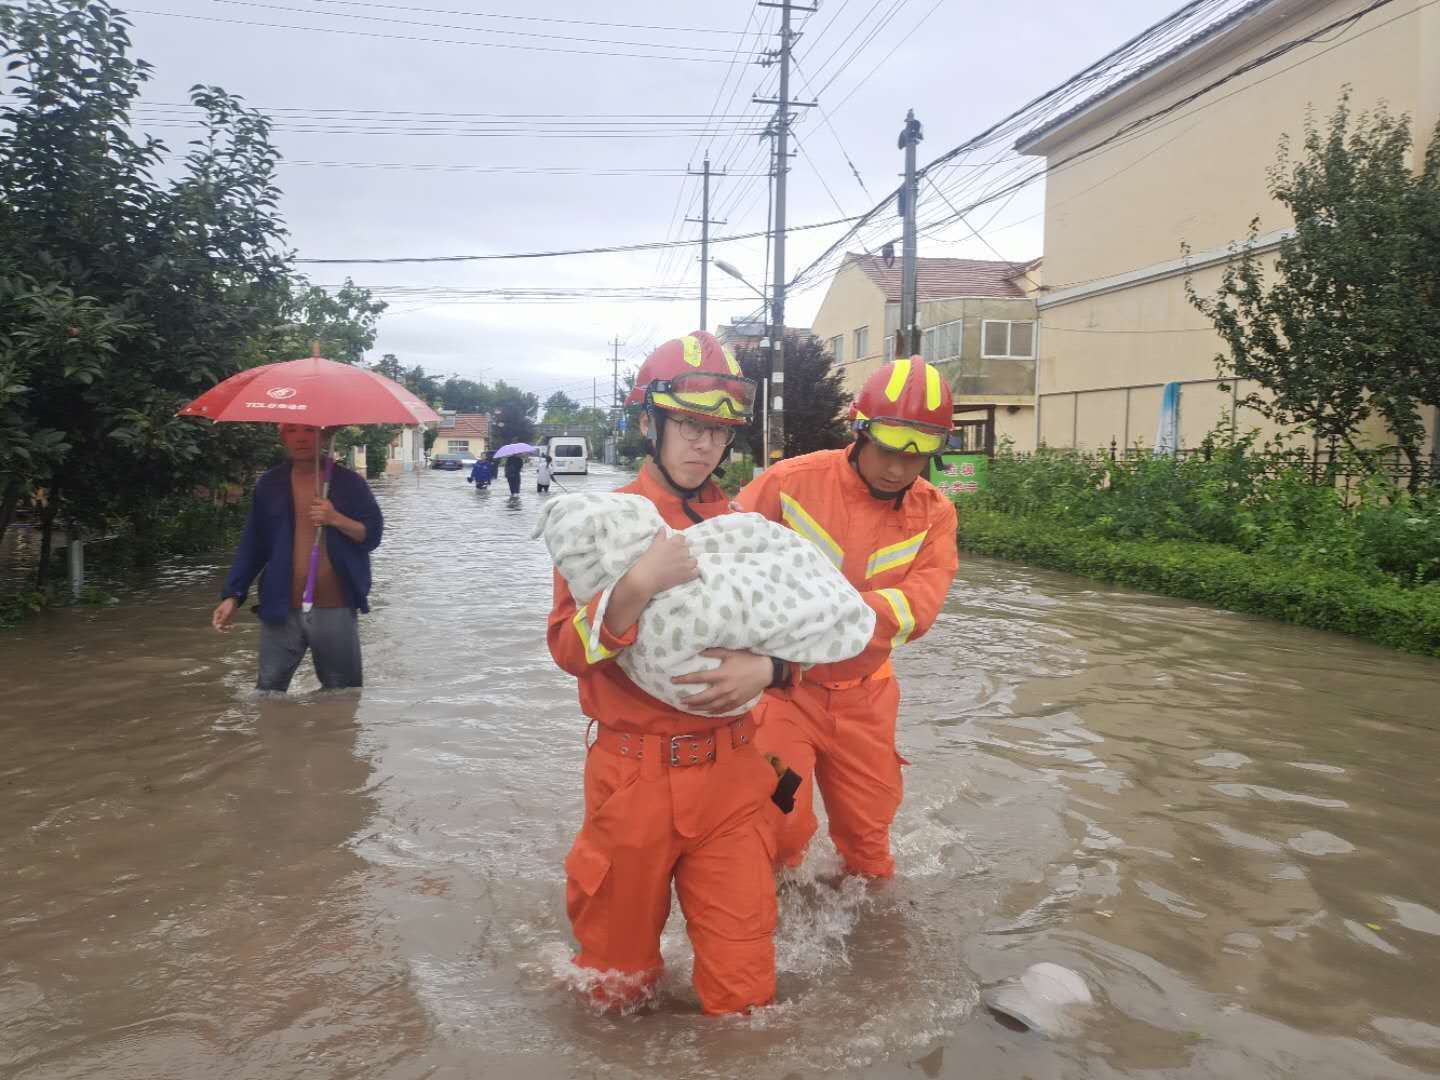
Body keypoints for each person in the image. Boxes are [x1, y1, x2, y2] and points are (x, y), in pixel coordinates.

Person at [547, 331, 792, 1015]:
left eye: (717, 430)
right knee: (614, 990)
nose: (703, 445)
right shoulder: (601, 522)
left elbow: (808, 632)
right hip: (632, 783)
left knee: (745, 1002)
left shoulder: (746, 529)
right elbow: (566, 648)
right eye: (688, 424)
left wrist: (771, 670)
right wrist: (634, 587)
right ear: (650, 423)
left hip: (735, 779)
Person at [736, 357, 960, 880]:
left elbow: (919, 609)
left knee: (869, 844)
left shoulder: (935, 514)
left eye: (919, 455)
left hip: (867, 695)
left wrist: (822, 614)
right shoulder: (788, 483)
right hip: (784, 690)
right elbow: (724, 560)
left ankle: (877, 944)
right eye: (887, 448)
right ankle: (772, 923)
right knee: (778, 825)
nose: (899, 468)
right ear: (859, 431)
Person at [211, 424, 384, 692]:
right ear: (282, 437)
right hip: (280, 607)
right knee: (268, 693)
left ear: (324, 436)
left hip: (335, 605)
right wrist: (233, 595)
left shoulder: (350, 484)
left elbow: (371, 536)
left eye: (309, 430)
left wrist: (335, 518)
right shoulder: (269, 484)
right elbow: (253, 544)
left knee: (343, 695)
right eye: (292, 431)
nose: (301, 438)